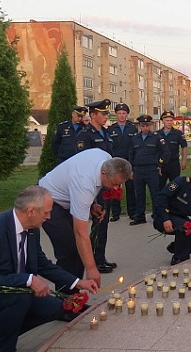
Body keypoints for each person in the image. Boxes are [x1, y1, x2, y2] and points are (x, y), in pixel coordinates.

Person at [0, 185, 98, 351]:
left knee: (55, 307)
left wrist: (78, 282)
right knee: (19, 299)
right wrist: (28, 280)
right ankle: (0, 348)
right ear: (31, 211)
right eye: (46, 212)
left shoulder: (32, 230)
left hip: (8, 291)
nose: (49, 217)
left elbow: (42, 264)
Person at [38, 149, 132, 288]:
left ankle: (75, 295)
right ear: (103, 173)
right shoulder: (84, 184)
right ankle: (65, 297)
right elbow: (80, 234)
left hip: (69, 197)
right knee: (69, 251)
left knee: (79, 251)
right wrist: (92, 268)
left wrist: (93, 204)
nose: (116, 188)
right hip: (48, 201)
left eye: (120, 184)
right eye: (114, 184)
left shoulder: (106, 158)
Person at [75, 99, 118, 274]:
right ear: (93, 115)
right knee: (97, 222)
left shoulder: (106, 133)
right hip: (93, 185)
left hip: (105, 184)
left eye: (107, 113)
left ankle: (100, 257)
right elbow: (84, 163)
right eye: (103, 113)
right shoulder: (85, 135)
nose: (106, 116)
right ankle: (93, 260)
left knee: (103, 222)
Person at [129, 115, 169, 225]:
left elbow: (165, 152)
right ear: (139, 126)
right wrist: (131, 169)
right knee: (139, 194)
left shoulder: (157, 137)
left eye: (147, 125)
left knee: (155, 194)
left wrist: (160, 165)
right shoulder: (135, 138)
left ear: (150, 125)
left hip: (151, 169)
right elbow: (131, 154)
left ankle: (157, 216)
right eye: (142, 126)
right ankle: (140, 216)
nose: (145, 128)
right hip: (138, 170)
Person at [107, 102, 139, 222]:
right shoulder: (111, 129)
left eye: (124, 113)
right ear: (116, 114)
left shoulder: (132, 128)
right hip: (115, 163)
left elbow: (135, 146)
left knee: (130, 188)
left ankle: (132, 212)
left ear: (127, 114)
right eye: (119, 113)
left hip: (129, 162)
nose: (121, 115)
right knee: (115, 187)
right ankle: (115, 213)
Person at [159, 110, 188, 185]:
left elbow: (184, 146)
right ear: (163, 121)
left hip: (174, 163)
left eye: (171, 120)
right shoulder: (158, 134)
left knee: (174, 185)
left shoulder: (178, 133)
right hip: (161, 164)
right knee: (160, 185)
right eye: (167, 120)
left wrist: (184, 161)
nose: (169, 122)